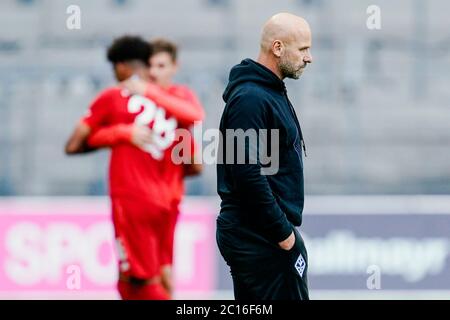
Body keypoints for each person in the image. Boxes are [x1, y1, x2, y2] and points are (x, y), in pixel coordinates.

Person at [65, 35, 203, 299]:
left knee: (135, 277)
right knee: (160, 274)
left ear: (122, 66)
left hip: (134, 200)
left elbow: (74, 144)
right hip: (169, 201)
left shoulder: (115, 97)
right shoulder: (178, 103)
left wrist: (119, 133)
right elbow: (195, 164)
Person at [216, 13, 313, 300]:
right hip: (259, 235)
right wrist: (283, 235)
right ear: (278, 47)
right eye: (303, 49)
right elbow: (246, 174)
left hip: (264, 232)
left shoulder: (267, 92)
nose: (309, 58)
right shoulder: (250, 99)